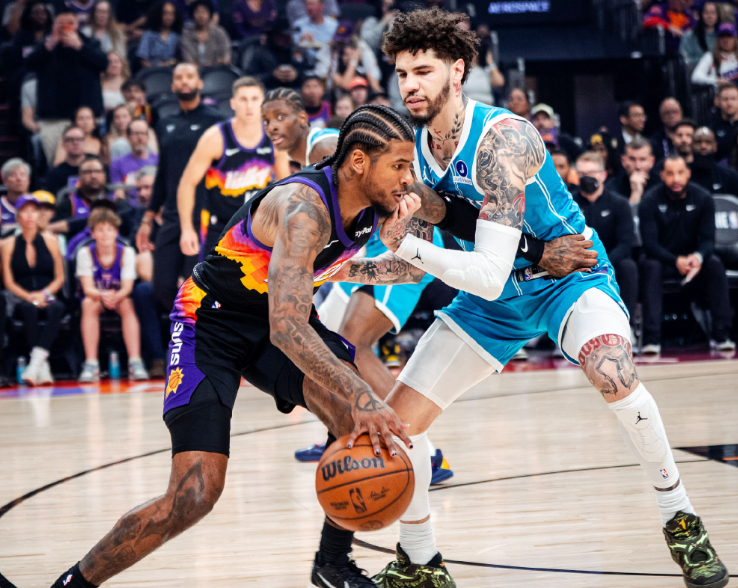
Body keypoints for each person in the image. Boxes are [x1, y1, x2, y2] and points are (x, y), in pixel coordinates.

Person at [354, 9, 728, 588]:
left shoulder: (503, 139)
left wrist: (412, 246)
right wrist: (329, 272)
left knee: (613, 372)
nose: (410, 85)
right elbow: (413, 267)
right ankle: (420, 560)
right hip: (492, 301)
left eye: (423, 71)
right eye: (402, 73)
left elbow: (478, 269)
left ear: (458, 70)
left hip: (567, 280)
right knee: (399, 426)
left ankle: (680, 518)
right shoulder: (415, 153)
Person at [45, 104, 426, 588]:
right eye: (399, 166)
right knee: (194, 495)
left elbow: (403, 270)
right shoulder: (304, 210)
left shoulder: (375, 199)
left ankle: (331, 563)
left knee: (354, 418)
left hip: (275, 321)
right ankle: (72, 584)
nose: (407, 179)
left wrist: (405, 235)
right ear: (357, 162)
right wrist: (363, 394)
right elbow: (288, 328)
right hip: (211, 324)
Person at [136, 63, 225, 312]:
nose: (184, 81)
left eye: (190, 76)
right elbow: (163, 173)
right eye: (179, 77)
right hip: (173, 214)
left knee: (196, 284)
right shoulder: (165, 123)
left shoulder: (217, 122)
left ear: (200, 83)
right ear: (173, 85)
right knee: (161, 284)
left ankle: (195, 333)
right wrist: (148, 217)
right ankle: (185, 325)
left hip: (204, 214)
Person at [178, 77, 289, 259]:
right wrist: (187, 228)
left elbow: (285, 186)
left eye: (254, 99)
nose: (249, 106)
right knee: (213, 277)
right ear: (233, 103)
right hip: (220, 226)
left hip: (258, 227)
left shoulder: (275, 137)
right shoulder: (215, 138)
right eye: (243, 99)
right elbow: (187, 183)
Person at [639, 154, 735, 354]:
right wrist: (675, 260)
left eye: (680, 173)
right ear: (662, 175)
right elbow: (650, 244)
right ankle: (651, 339)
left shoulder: (703, 198)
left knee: (714, 263)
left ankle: (721, 334)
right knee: (650, 265)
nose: (676, 179)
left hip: (693, 261)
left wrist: (698, 257)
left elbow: (708, 240)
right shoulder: (649, 200)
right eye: (670, 173)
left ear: (688, 173)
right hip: (663, 259)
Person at [26, 8, 108, 166]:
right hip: (54, 116)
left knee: (90, 161)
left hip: (85, 114)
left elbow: (103, 63)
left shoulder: (90, 42)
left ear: (77, 24)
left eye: (69, 23)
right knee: (55, 161)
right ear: (53, 24)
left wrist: (80, 46)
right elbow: (29, 64)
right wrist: (50, 44)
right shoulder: (44, 44)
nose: (65, 27)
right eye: (60, 23)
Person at [76, 207, 149, 381]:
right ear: (92, 233)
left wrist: (115, 296)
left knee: (127, 303)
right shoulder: (85, 253)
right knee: (88, 303)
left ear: (116, 232)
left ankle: (135, 361)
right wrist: (104, 296)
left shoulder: (126, 252)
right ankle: (91, 363)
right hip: (96, 297)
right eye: (100, 229)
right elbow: (88, 288)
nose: (105, 234)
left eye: (109, 229)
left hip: (119, 297)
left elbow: (127, 287)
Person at [1, 195, 65, 386]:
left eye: (34, 211)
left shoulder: (51, 241)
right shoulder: (7, 244)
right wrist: (29, 296)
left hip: (47, 294)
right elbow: (8, 281)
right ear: (18, 216)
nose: (30, 215)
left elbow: (60, 277)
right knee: (29, 310)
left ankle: (36, 362)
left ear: (39, 215)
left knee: (57, 308)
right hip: (21, 297)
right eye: (25, 211)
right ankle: (42, 367)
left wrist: (43, 294)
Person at [573, 152, 637, 335]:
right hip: (578, 262)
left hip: (611, 260)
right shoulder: (569, 205)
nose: (587, 177)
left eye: (592, 173)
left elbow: (626, 243)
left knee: (628, 267)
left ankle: (627, 326)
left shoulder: (619, 203)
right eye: (582, 173)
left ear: (603, 175)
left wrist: (602, 262)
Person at [262, 87, 340, 167]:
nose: (271, 127)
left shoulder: (324, 148)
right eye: (266, 121)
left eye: (281, 117)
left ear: (302, 118)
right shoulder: (307, 154)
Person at [51, 155, 114, 239]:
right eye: (88, 172)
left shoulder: (116, 201)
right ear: (79, 177)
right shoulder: (69, 204)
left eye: (97, 171)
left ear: (104, 175)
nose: (93, 176)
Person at [321, 21, 382, 93]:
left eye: (349, 55)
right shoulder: (337, 66)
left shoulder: (363, 51)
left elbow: (375, 87)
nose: (341, 43)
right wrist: (353, 62)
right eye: (345, 55)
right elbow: (345, 85)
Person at [110, 119, 159, 200]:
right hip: (130, 204)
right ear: (127, 137)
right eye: (136, 133)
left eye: (143, 133)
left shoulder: (159, 161)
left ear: (148, 137)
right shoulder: (117, 163)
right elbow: (118, 192)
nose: (140, 138)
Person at [606, 137, 659, 204]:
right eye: (632, 159)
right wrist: (636, 192)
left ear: (652, 161)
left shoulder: (660, 184)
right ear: (623, 160)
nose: (637, 166)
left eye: (642, 159)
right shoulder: (612, 188)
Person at [180, 0, 231, 66]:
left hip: (217, 70)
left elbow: (226, 58)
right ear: (192, 15)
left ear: (210, 15)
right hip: (193, 70)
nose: (201, 16)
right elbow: (188, 59)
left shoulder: (219, 33)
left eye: (204, 12)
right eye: (197, 12)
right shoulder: (187, 35)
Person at [691, 126, 738, 196]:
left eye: (708, 142)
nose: (703, 146)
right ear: (691, 146)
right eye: (698, 142)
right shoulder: (683, 175)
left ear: (715, 146)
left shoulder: (729, 176)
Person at [41, 125, 86, 196]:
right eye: (70, 140)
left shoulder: (96, 169)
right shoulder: (54, 174)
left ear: (85, 142)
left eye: (79, 139)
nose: (75, 143)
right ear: (63, 144)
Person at [136, 0, 181, 68]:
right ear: (158, 14)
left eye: (172, 14)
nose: (168, 17)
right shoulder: (149, 34)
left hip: (171, 71)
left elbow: (179, 60)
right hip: (151, 71)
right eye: (165, 13)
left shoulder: (177, 36)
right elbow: (143, 62)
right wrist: (162, 65)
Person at [292, 0, 338, 64]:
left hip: (328, 61)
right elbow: (295, 48)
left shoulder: (334, 25)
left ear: (321, 6)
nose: (309, 7)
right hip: (306, 62)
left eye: (312, 4)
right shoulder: (297, 24)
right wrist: (301, 40)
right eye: (307, 5)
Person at [680, 1, 719, 66]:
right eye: (706, 12)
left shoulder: (723, 36)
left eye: (713, 13)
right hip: (694, 70)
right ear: (701, 14)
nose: (710, 16)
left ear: (718, 15)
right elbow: (684, 59)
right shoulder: (689, 36)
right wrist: (705, 63)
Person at [1, 158, 31, 238]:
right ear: (4, 181)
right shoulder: (1, 204)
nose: (19, 179)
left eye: (23, 175)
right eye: (13, 175)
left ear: (28, 180)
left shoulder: (38, 202)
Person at [708, 81, 738, 160]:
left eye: (733, 99)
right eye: (725, 99)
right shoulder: (712, 129)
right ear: (718, 101)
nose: (729, 103)